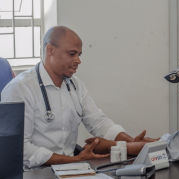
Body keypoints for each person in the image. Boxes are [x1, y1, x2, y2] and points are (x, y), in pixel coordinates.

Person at [1, 26, 152, 171]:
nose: (78, 61)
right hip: (34, 172)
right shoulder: (20, 88)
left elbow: (98, 122)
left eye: (79, 55)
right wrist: (75, 160)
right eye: (72, 54)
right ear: (50, 50)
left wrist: (132, 142)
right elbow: (20, 148)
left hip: (70, 167)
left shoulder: (75, 85)